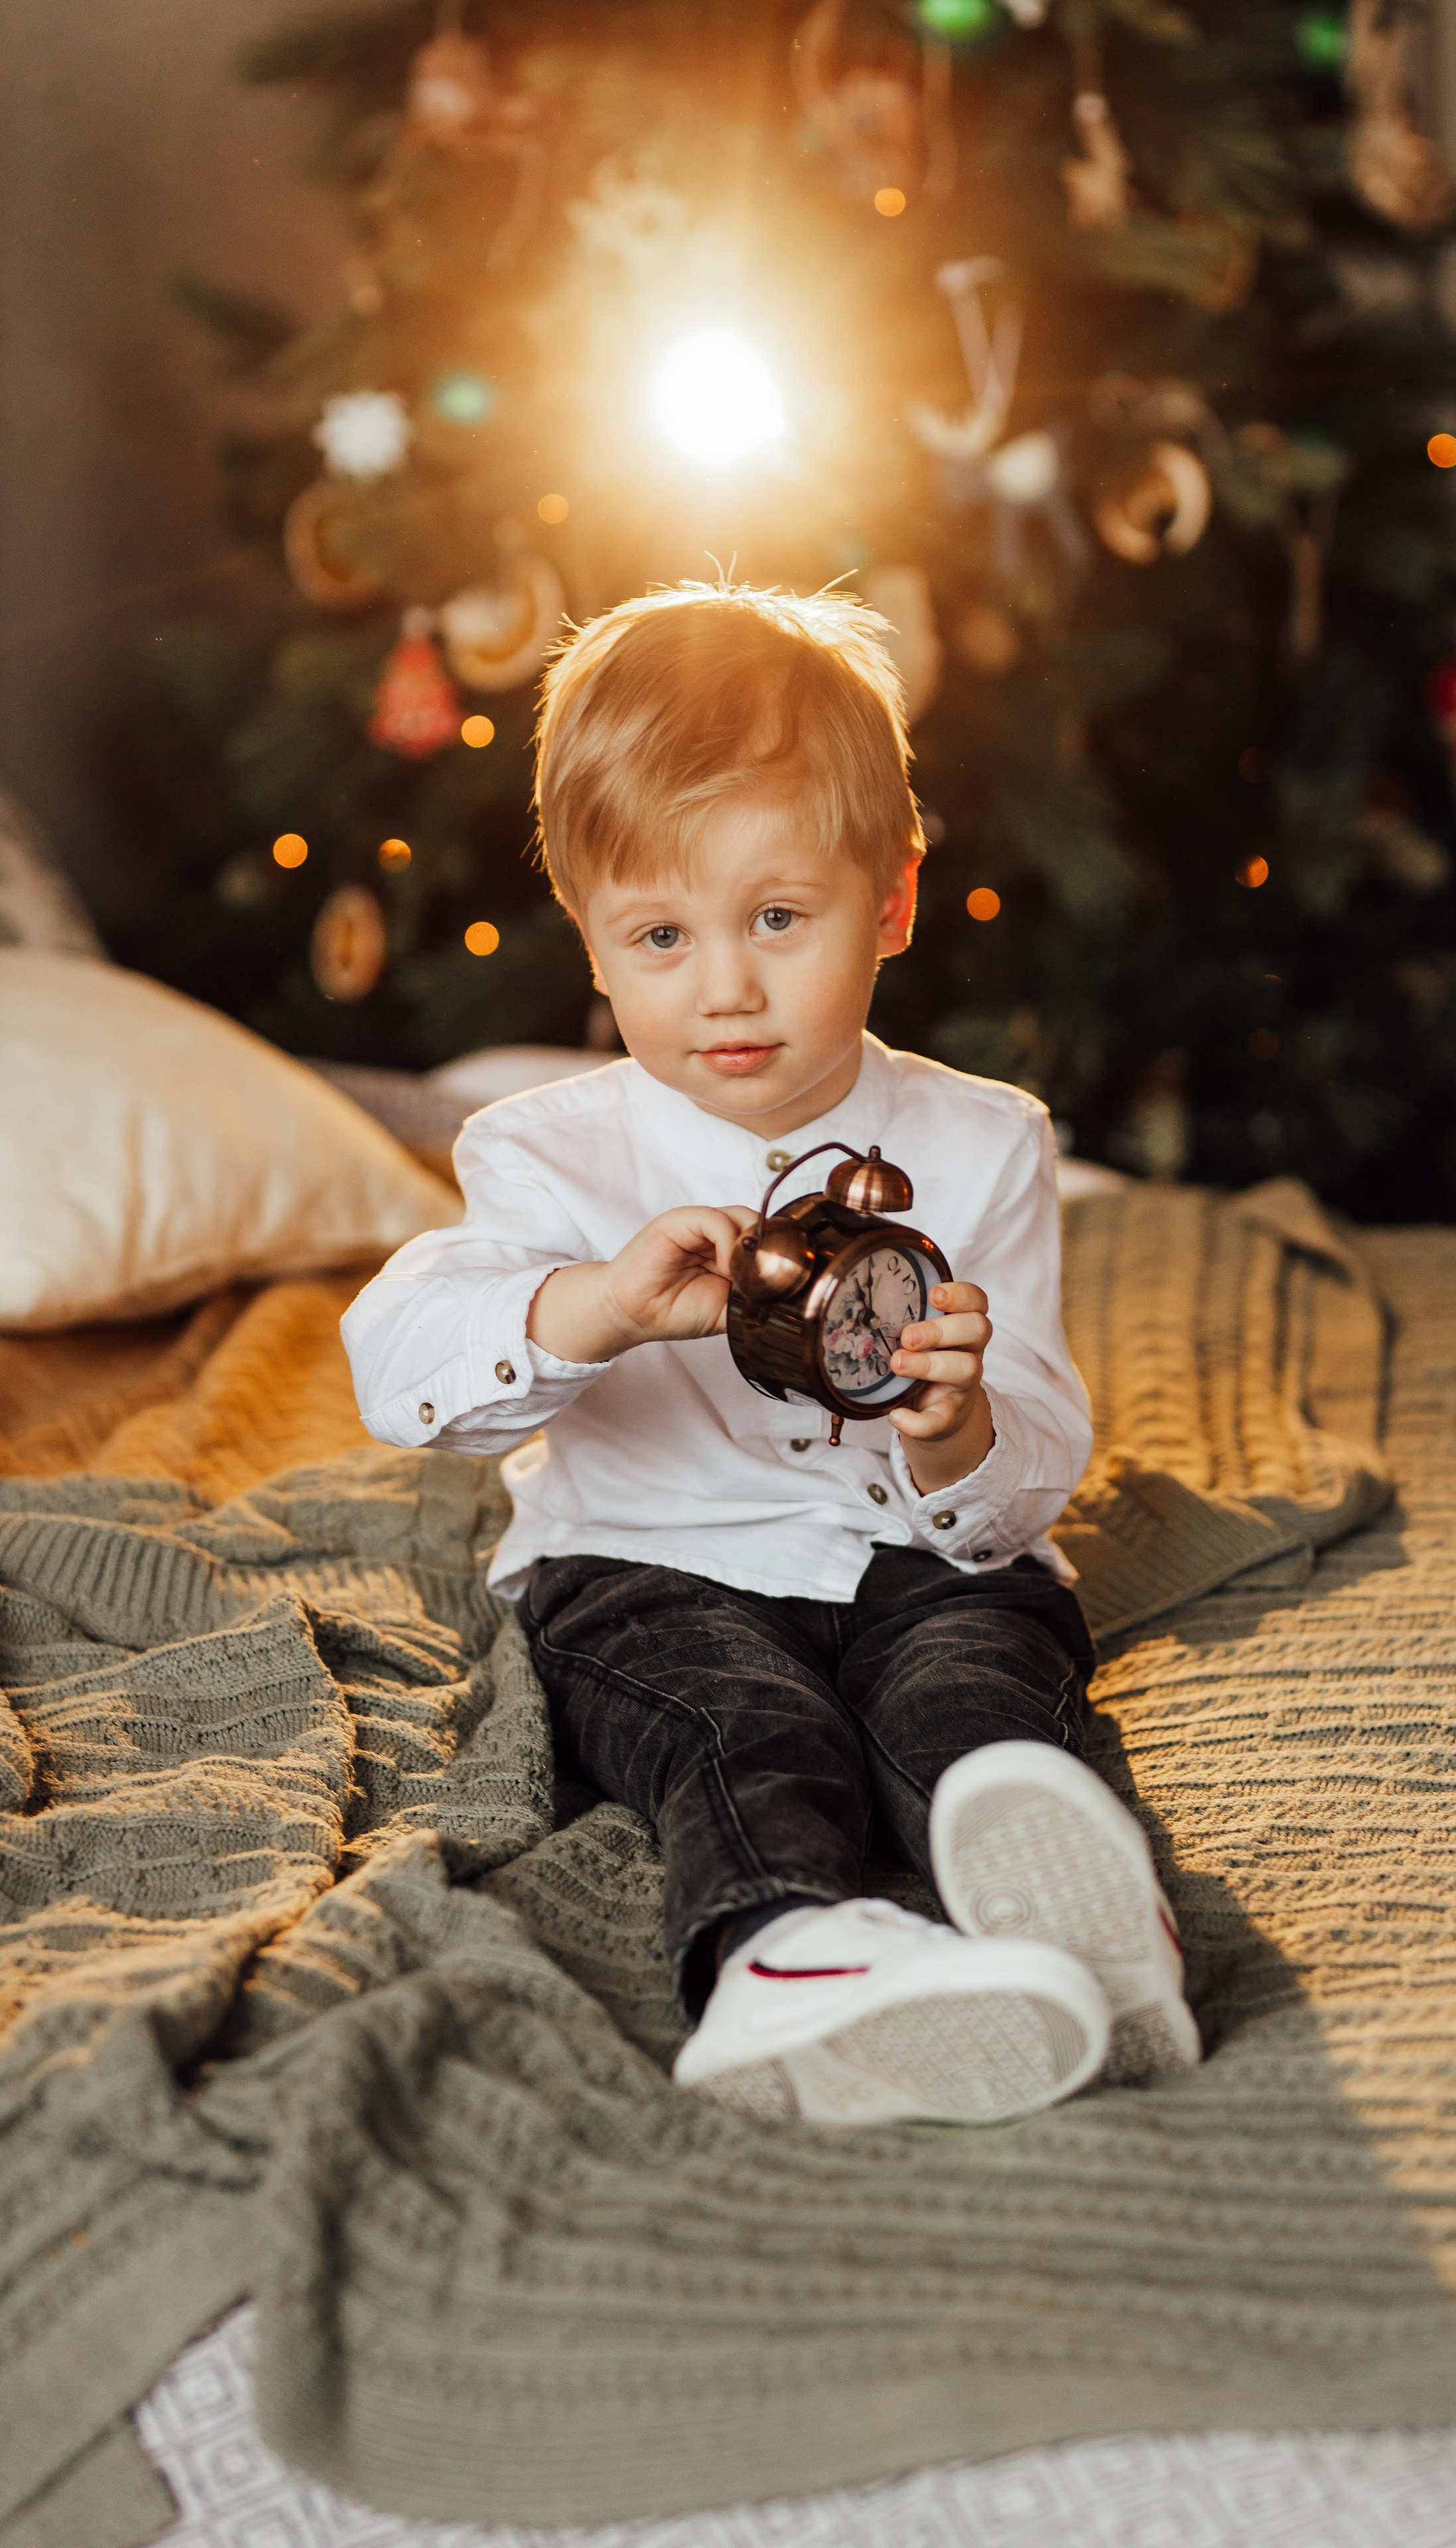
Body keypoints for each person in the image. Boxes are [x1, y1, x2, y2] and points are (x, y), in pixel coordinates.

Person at [343, 582, 1199, 2127]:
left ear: (892, 901)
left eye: (777, 919)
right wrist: (591, 1304)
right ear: (591, 948)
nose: (723, 986)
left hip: (917, 1555)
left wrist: (952, 1435)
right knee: (739, 1729)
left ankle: (1082, 1927)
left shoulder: (981, 1141)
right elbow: (394, 1367)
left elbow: (1033, 1463)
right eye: (660, 934)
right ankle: (787, 1962)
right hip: (647, 1565)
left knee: (981, 1684)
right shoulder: (545, 1152)